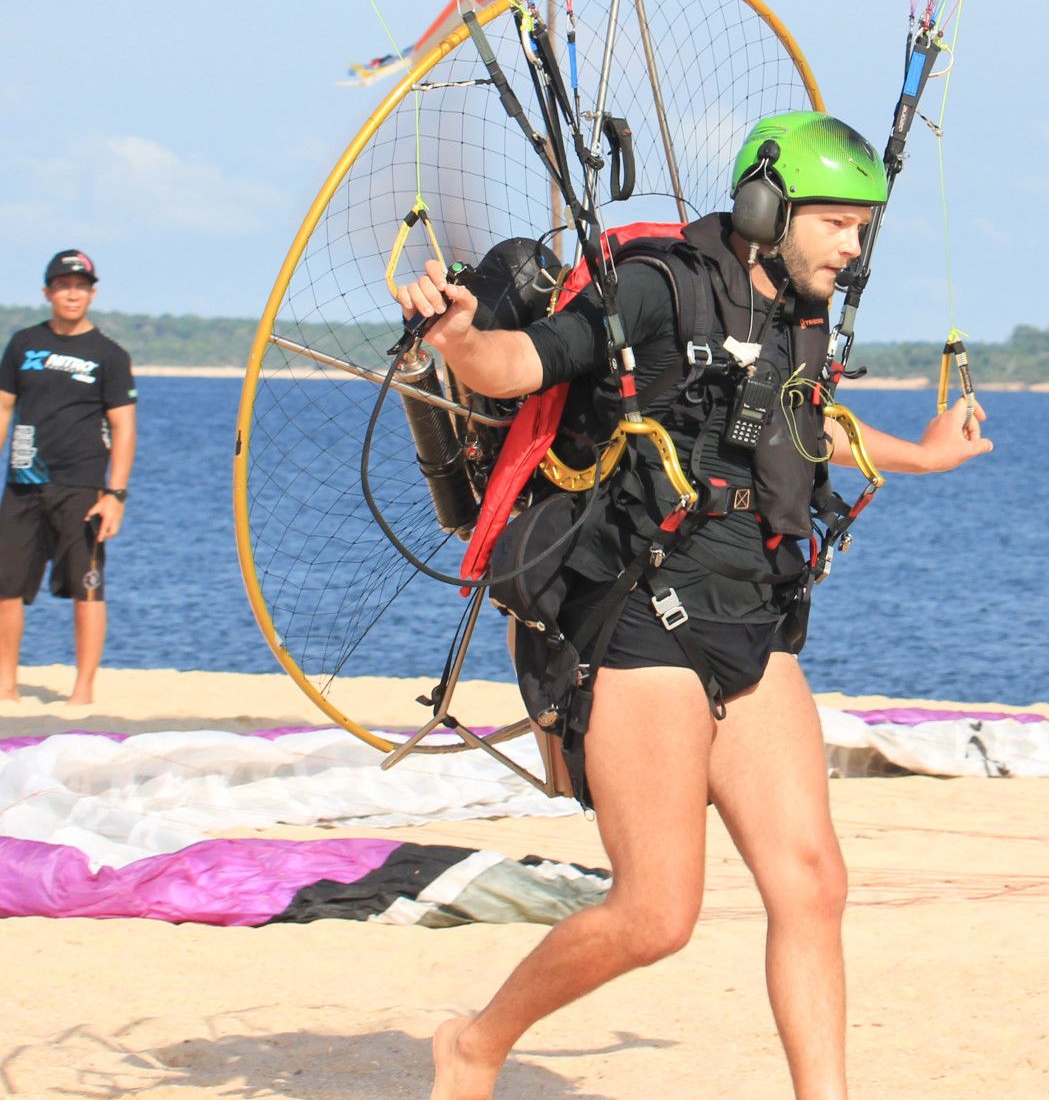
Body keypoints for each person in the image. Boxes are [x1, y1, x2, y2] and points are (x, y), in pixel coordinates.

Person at [398, 112, 993, 1100]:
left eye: (862, 228)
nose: (853, 249)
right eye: (838, 224)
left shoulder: (798, 314)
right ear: (767, 207)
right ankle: (473, 1040)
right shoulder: (654, 288)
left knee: (813, 883)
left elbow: (798, 427)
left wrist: (921, 453)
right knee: (656, 913)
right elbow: (516, 365)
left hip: (753, 616)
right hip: (643, 612)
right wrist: (461, 336)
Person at [0, 250, 137, 705]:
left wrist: (116, 494)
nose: (72, 294)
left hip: (82, 488)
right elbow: (1, 406)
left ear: (92, 293)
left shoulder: (109, 355)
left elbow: (123, 427)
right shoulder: (24, 344)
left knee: (88, 590)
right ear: (48, 292)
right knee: (4, 589)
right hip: (22, 483)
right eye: (63, 286)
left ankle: (82, 690)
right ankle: (6, 685)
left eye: (80, 286)